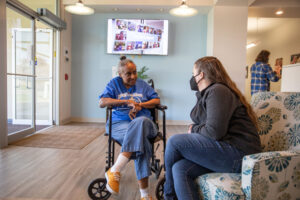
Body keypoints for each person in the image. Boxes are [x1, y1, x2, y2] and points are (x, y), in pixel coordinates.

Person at [164, 56, 262, 200]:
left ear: (201, 75)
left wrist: (194, 129)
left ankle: (168, 196)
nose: (192, 79)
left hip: (241, 156)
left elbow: (214, 132)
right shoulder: (210, 92)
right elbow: (204, 122)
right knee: (180, 168)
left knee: (174, 142)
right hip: (228, 150)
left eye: (193, 75)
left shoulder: (218, 91)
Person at [98, 56, 160, 200]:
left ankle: (115, 169)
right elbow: (102, 102)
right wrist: (127, 102)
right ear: (120, 75)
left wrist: (140, 105)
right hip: (119, 124)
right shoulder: (114, 84)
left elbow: (156, 100)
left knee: (140, 122)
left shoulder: (143, 84)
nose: (133, 76)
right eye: (128, 74)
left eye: (134, 72)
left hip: (146, 124)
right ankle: (145, 195)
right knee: (142, 143)